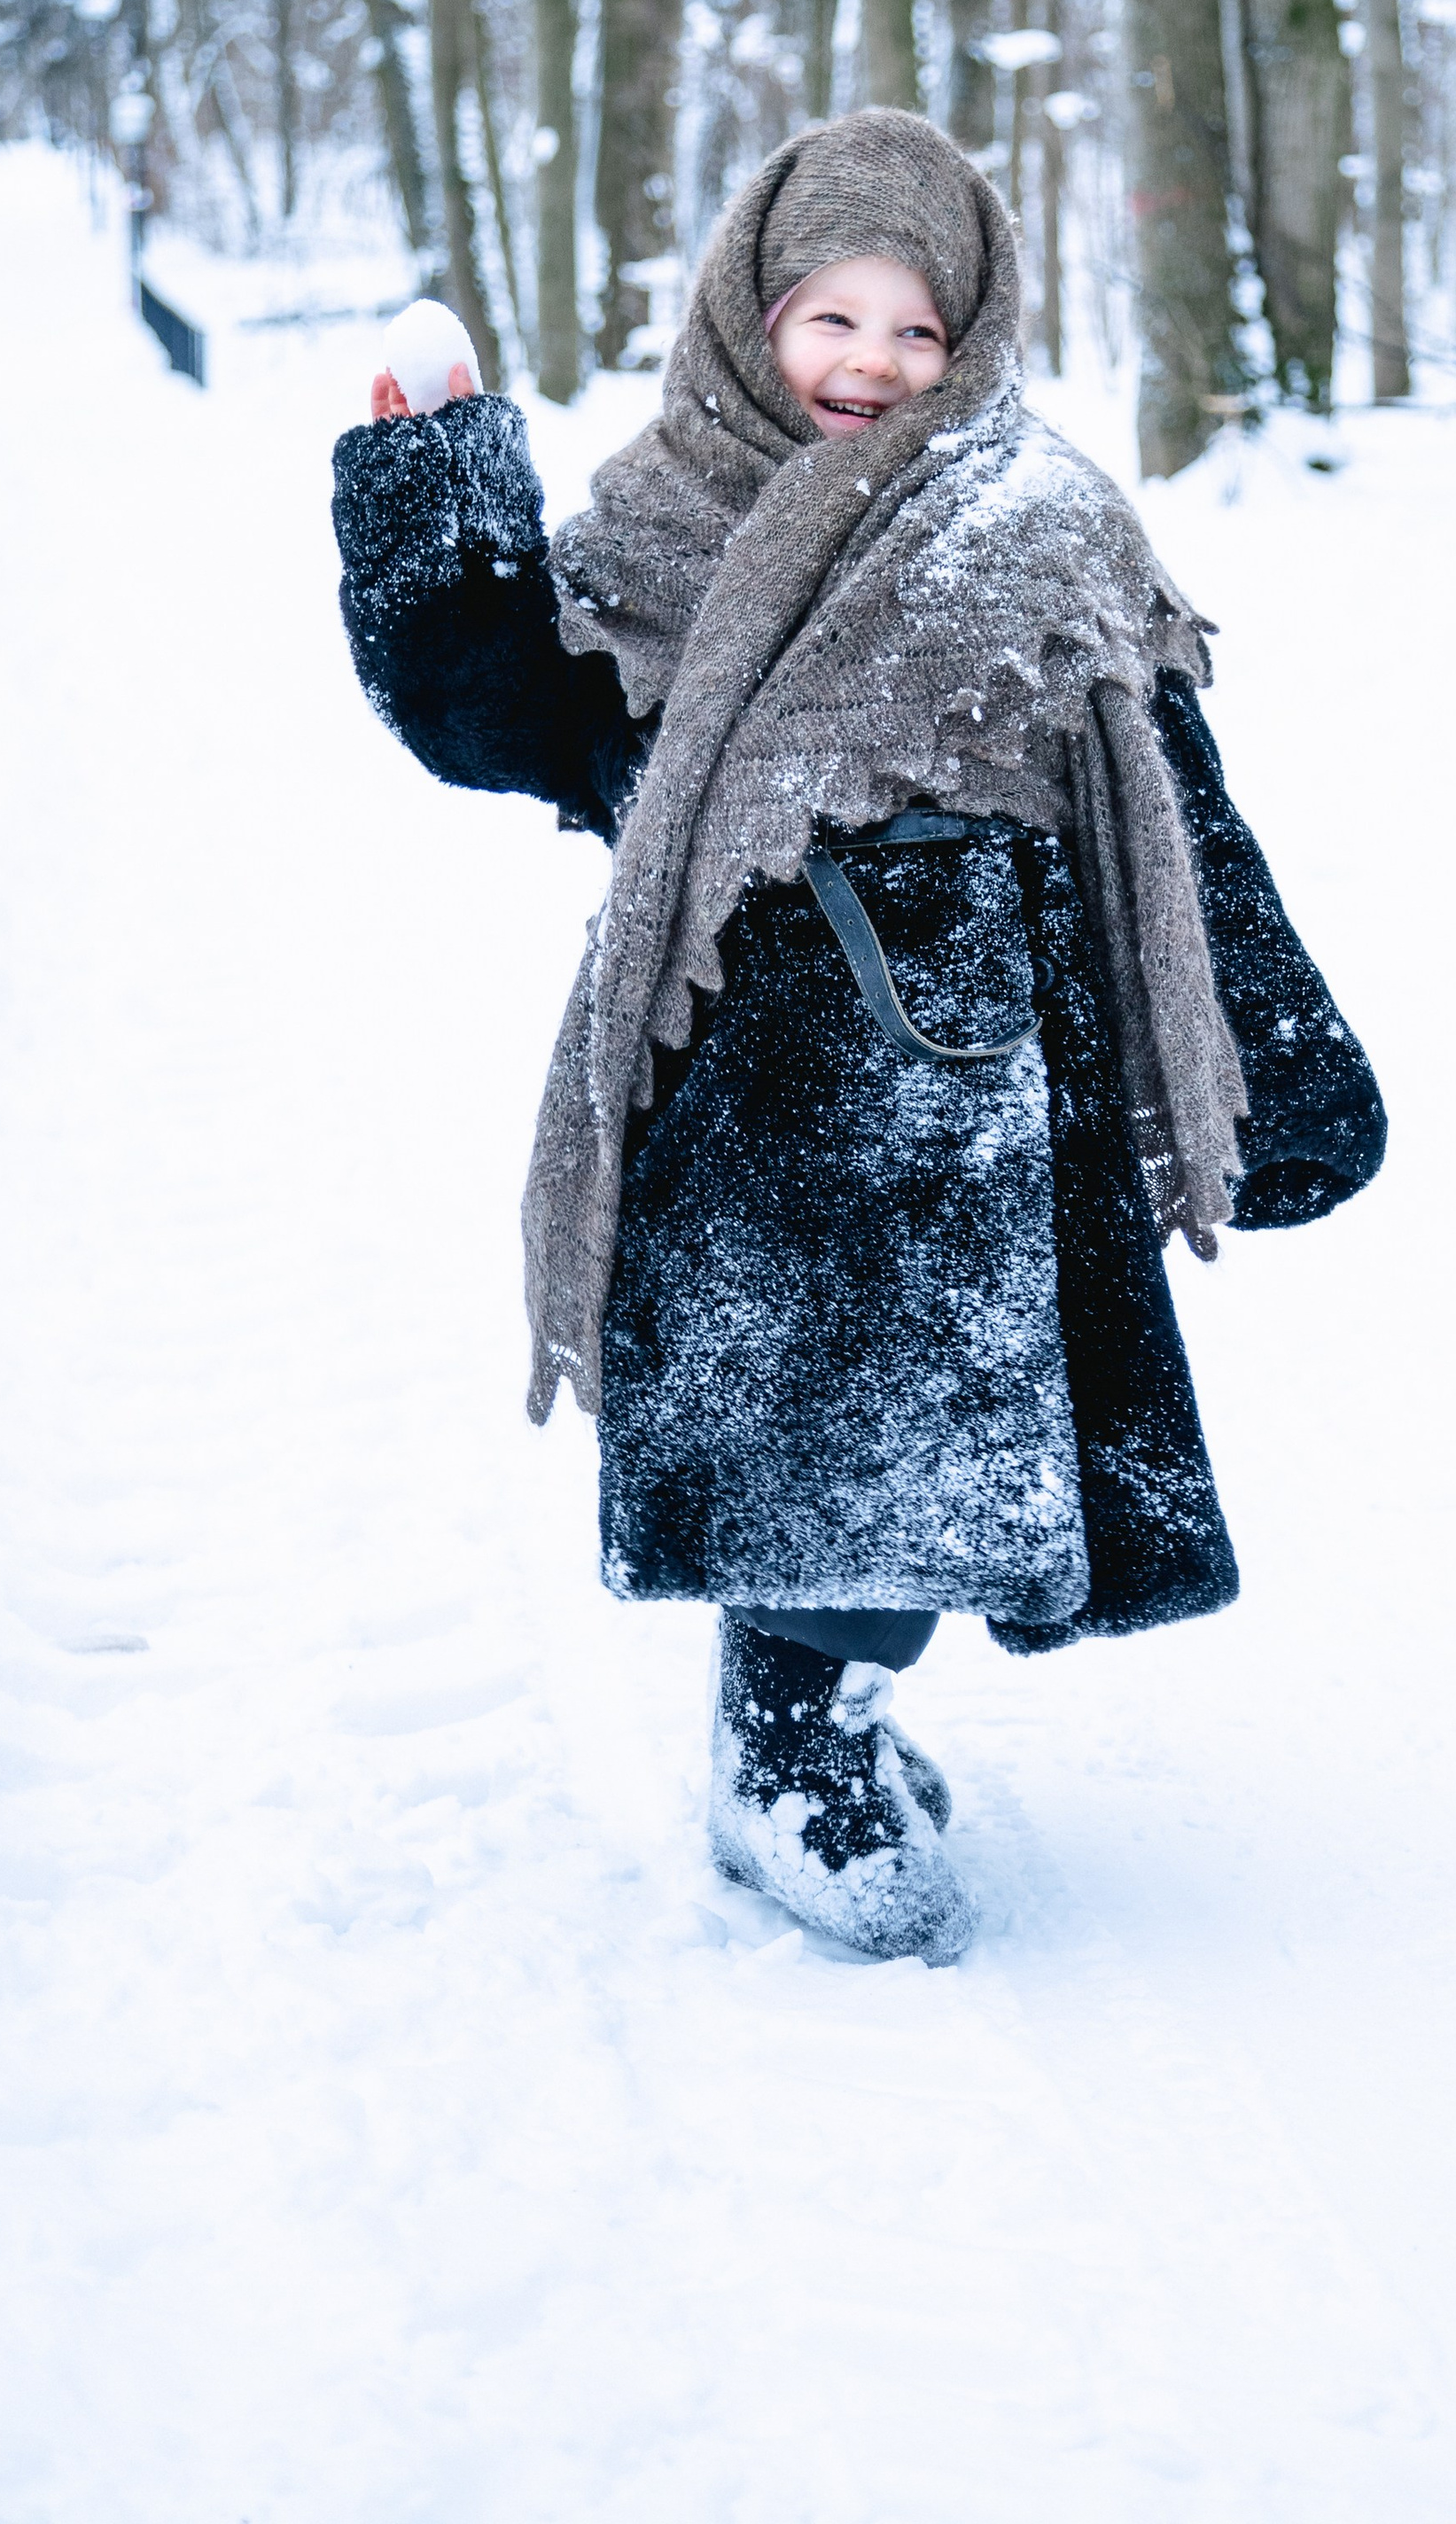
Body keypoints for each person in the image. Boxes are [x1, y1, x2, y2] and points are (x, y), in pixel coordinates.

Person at [331, 108, 1383, 1967]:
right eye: (831, 321)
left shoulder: (1029, 520)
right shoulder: (664, 523)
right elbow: (511, 720)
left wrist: (1276, 1056)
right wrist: (437, 521)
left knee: (920, 1470)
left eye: (914, 331)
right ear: (752, 312)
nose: (871, 367)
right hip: (745, 1075)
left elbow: (1166, 800)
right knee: (832, 1471)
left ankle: (807, 1723)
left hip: (986, 1079)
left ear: (968, 336)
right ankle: (786, 1756)